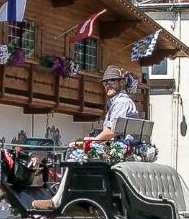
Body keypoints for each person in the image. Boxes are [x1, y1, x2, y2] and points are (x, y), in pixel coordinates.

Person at [31, 65, 138, 210]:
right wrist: (85, 142)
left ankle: (58, 201)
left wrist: (91, 141)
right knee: (77, 148)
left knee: (75, 156)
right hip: (121, 148)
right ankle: (76, 198)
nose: (108, 85)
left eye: (112, 81)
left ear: (121, 82)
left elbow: (111, 132)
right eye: (105, 83)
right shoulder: (118, 102)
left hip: (120, 149)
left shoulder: (122, 102)